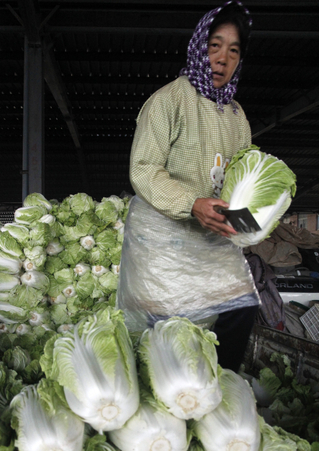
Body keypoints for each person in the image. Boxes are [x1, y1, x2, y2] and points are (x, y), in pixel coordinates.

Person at [117, 0, 260, 372]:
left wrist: (249, 224)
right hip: (164, 241)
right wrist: (191, 203)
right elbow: (144, 168)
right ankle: (160, 398)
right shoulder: (168, 101)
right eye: (215, 46)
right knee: (165, 331)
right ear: (199, 47)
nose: (222, 59)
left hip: (214, 243)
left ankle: (218, 387)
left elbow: (242, 179)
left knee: (241, 307)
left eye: (233, 50)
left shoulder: (237, 116)